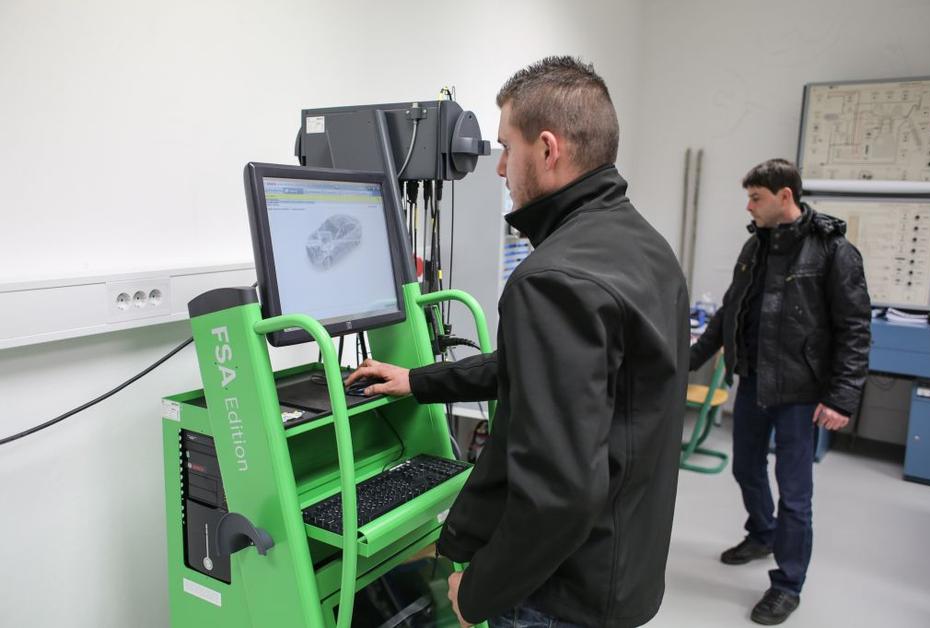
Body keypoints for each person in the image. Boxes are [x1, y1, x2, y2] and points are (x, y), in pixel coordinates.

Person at [346, 56, 689, 627]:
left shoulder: (553, 278)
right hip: (621, 570)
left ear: (548, 149)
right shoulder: (643, 246)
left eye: (507, 147)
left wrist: (478, 591)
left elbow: (560, 494)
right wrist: (419, 381)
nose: (501, 167)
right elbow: (549, 372)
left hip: (558, 595)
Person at [689, 158, 871, 625]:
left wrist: (841, 398)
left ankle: (788, 584)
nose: (749, 207)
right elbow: (729, 313)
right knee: (746, 468)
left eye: (756, 198)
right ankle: (763, 533)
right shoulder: (755, 246)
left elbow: (854, 329)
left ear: (785, 196)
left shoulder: (833, 251)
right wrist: (685, 361)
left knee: (795, 493)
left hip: (800, 393)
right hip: (753, 383)